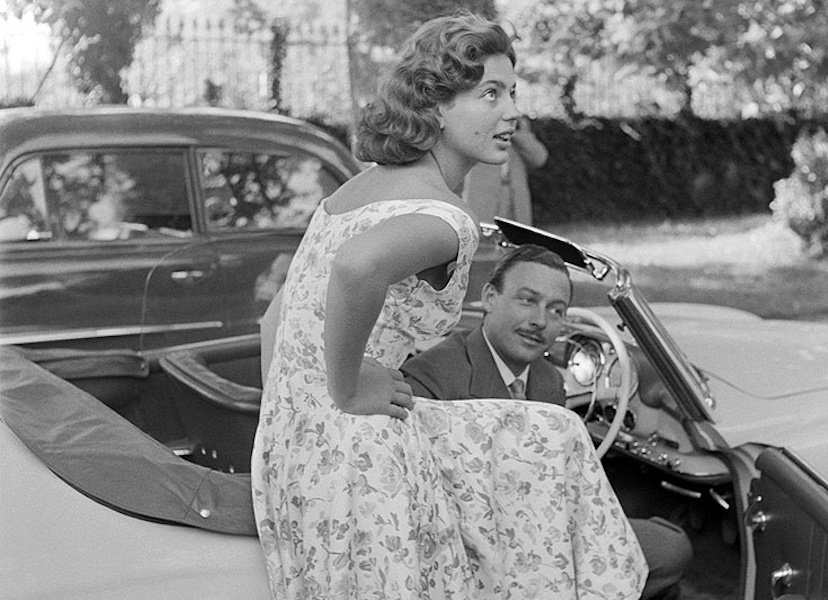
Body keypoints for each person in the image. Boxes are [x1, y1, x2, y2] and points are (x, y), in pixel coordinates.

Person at [252, 13, 647, 600]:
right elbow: (356, 269)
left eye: (512, 91)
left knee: (553, 430)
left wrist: (300, 420)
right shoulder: (447, 219)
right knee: (559, 443)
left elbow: (272, 322)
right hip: (360, 452)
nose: (511, 110)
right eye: (490, 93)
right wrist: (345, 391)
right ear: (436, 107)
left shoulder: (350, 193)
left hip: (290, 455)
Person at [401, 244, 693, 600]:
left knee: (672, 547)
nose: (540, 320)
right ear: (490, 297)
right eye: (527, 300)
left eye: (556, 310)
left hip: (547, 523)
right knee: (661, 563)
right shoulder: (429, 379)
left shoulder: (547, 380)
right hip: (476, 547)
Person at [463, 114, 548, 225]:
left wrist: (519, 134)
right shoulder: (478, 128)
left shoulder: (517, 139)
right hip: (484, 202)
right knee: (484, 238)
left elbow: (540, 158)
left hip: (514, 201)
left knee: (517, 239)